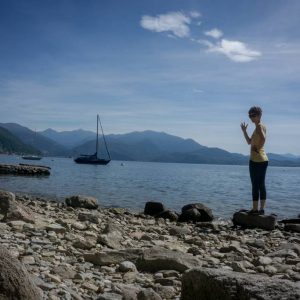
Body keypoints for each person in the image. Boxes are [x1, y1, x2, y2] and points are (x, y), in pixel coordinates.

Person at [241, 106, 268, 214]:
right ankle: (261, 210)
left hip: (256, 160)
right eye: (250, 115)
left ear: (259, 115)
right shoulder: (259, 127)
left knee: (255, 185)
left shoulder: (259, 127)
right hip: (263, 159)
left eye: (253, 115)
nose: (251, 117)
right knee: (261, 185)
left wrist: (258, 148)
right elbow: (249, 142)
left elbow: (263, 138)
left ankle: (255, 209)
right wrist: (244, 131)